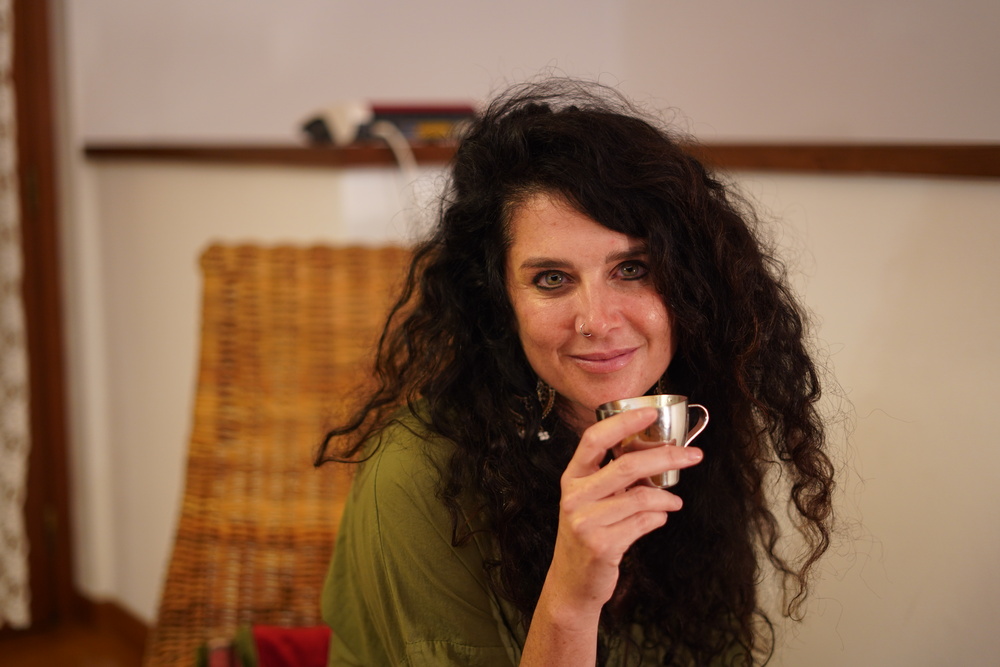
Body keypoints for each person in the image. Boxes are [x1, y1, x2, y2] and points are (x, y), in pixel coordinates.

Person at [315, 78, 835, 666]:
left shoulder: (688, 427)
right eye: (552, 279)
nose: (597, 321)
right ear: (500, 301)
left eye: (632, 269)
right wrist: (570, 601)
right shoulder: (415, 473)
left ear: (690, 282)